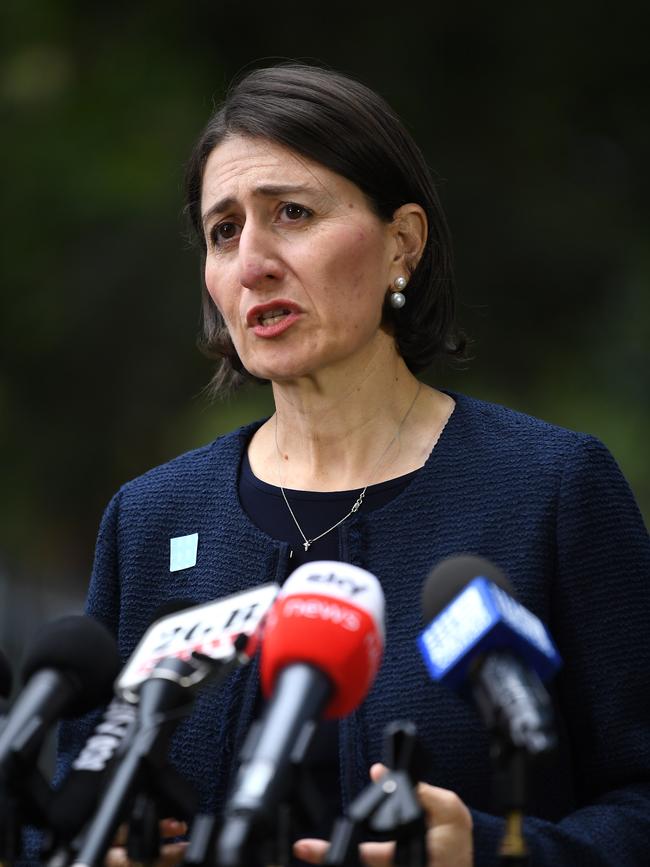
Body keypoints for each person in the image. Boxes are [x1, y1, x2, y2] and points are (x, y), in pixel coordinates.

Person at [57, 64, 650, 866]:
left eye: (291, 213)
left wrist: (498, 852)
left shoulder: (549, 490)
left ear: (402, 242)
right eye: (223, 230)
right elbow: (56, 806)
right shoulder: (152, 518)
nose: (253, 260)